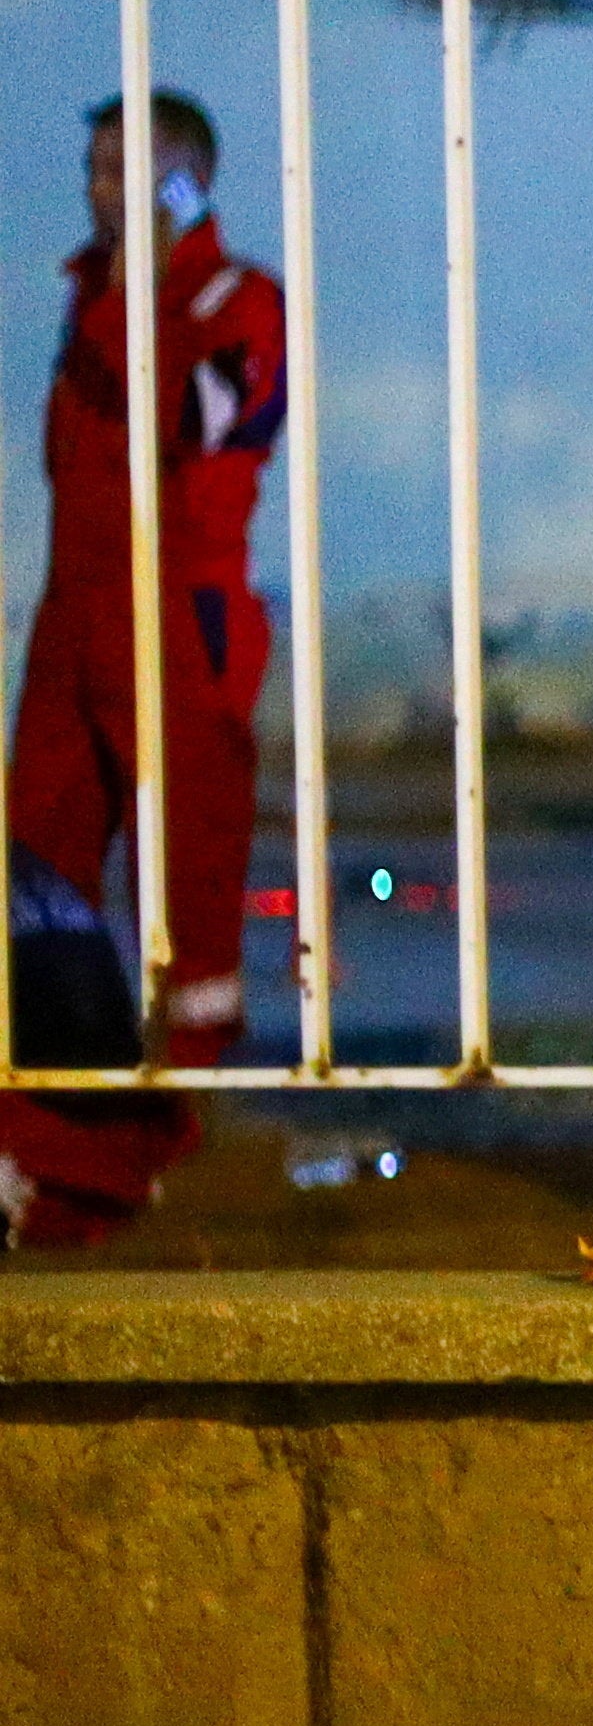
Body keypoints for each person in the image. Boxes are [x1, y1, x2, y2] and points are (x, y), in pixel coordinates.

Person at [3, 94, 288, 1254]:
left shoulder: (234, 302)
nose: (96, 186)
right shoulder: (97, 292)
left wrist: (150, 268)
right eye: (93, 165)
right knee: (39, 864)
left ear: (184, 183)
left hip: (178, 612)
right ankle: (51, 1111)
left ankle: (176, 1119)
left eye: (123, 169)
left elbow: (193, 421)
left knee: (189, 879)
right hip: (77, 616)